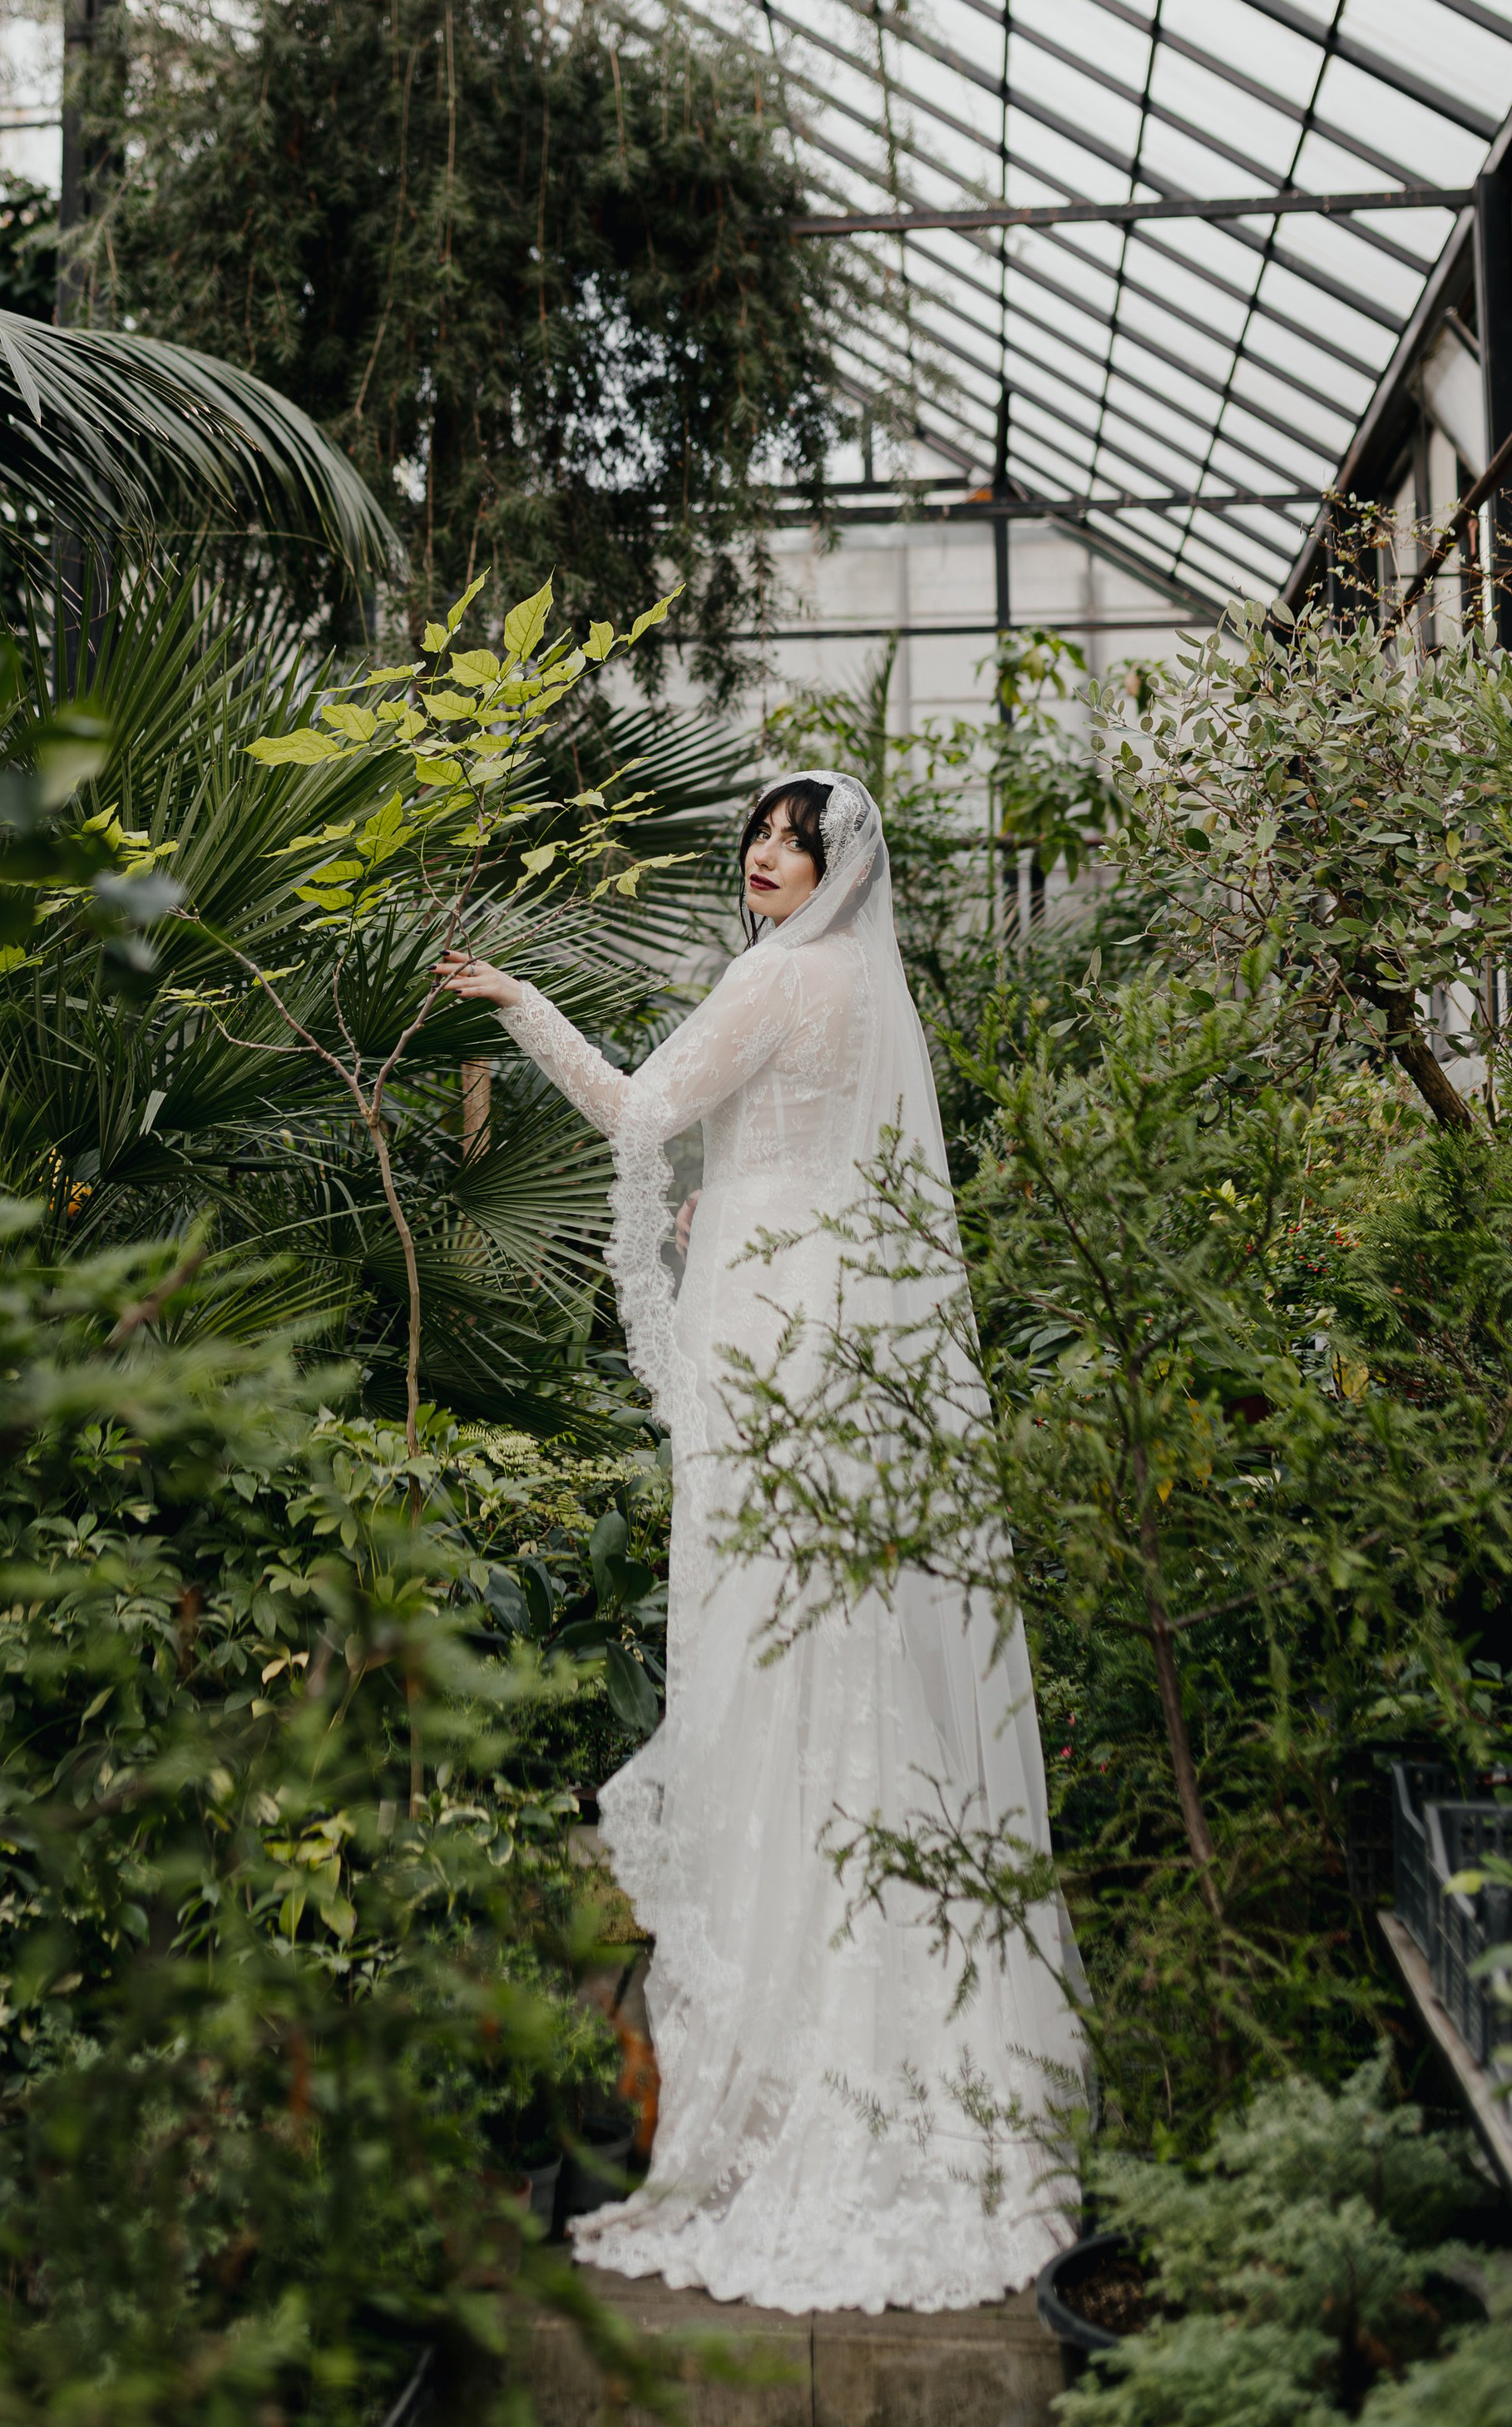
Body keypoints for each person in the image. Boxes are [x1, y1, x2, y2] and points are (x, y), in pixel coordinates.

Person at [435, 773, 1077, 2316]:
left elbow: (638, 1106)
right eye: (760, 836)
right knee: (859, 1640)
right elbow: (812, 1170)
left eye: (793, 842)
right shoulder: (871, 990)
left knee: (777, 1641)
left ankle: (802, 2062)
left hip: (772, 1351)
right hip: (844, 1336)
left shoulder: (780, 974)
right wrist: (716, 1216)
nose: (766, 859)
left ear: (832, 868)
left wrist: (520, 1000)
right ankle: (927, 2035)